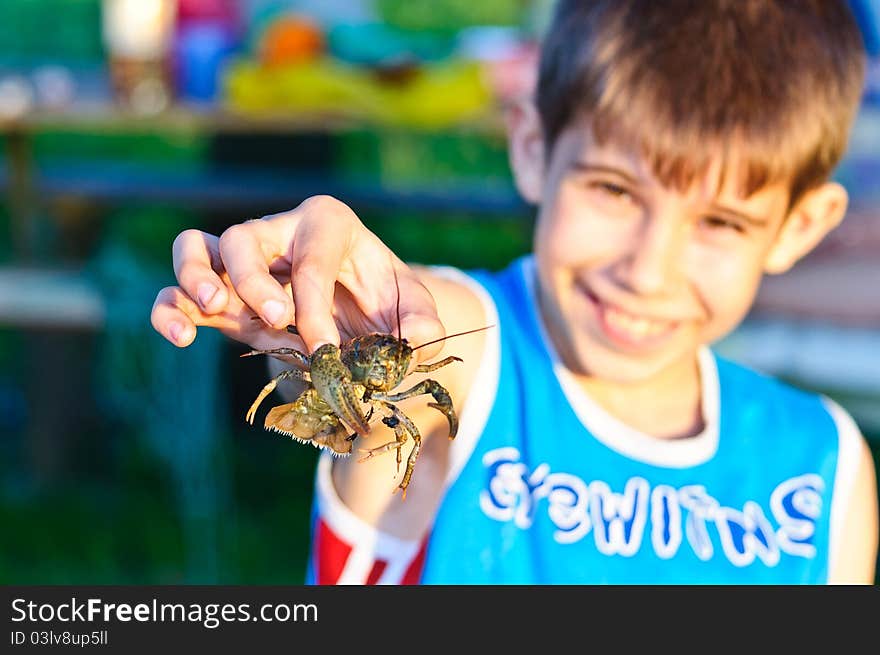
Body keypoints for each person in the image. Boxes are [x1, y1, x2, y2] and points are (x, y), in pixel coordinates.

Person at [151, 0, 878, 584]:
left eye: (719, 221)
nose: (648, 271)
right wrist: (317, 304)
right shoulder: (480, 364)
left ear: (799, 225)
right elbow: (412, 351)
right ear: (531, 148)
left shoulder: (824, 470)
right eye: (614, 190)